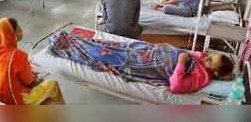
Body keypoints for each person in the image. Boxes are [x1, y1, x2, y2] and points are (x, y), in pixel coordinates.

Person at [50, 31, 234, 94]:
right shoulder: (203, 61)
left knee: (104, 55)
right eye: (210, 55)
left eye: (211, 60)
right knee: (113, 46)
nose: (206, 57)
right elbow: (198, 55)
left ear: (215, 73)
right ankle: (71, 39)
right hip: (150, 52)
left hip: (146, 64)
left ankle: (66, 46)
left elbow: (176, 86)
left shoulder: (201, 78)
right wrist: (195, 56)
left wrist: (182, 62)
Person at [0, 18, 65, 105]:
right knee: (53, 85)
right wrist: (39, 79)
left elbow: (6, 73)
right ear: (10, 34)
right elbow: (30, 83)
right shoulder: (17, 55)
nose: (22, 31)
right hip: (14, 100)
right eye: (18, 30)